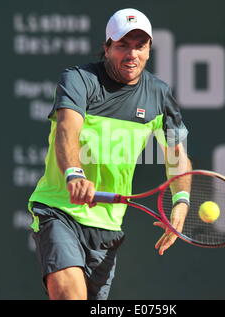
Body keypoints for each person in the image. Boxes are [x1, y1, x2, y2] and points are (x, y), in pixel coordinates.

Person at [28, 8, 192, 300]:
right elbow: (67, 130)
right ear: (106, 48)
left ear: (149, 49)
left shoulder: (159, 94)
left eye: (140, 46)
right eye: (122, 45)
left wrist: (181, 202)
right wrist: (74, 174)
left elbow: (177, 156)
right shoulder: (79, 80)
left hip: (107, 226)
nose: (132, 54)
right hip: (59, 211)